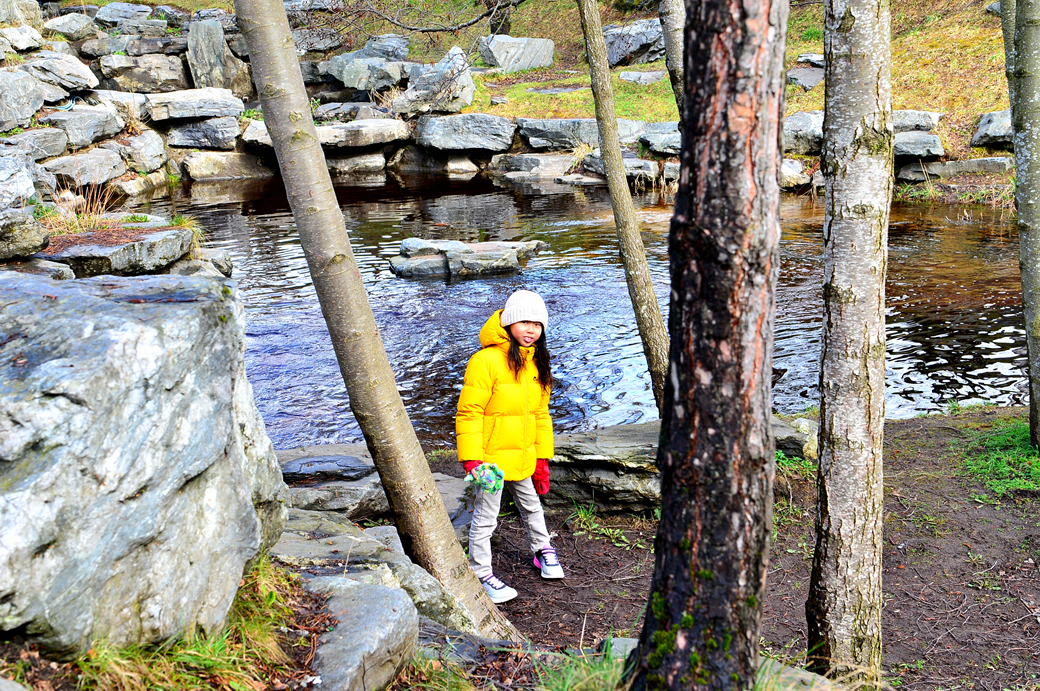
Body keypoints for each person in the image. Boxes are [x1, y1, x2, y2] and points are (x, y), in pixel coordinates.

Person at [456, 289, 564, 604]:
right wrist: (472, 460)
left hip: (523, 455)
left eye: (538, 324)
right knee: (486, 516)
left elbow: (540, 414)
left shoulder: (537, 362)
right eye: (525, 322)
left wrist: (542, 458)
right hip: (490, 460)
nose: (531, 330)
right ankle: (481, 573)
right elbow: (469, 412)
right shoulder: (485, 361)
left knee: (532, 505)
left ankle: (542, 550)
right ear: (508, 322)